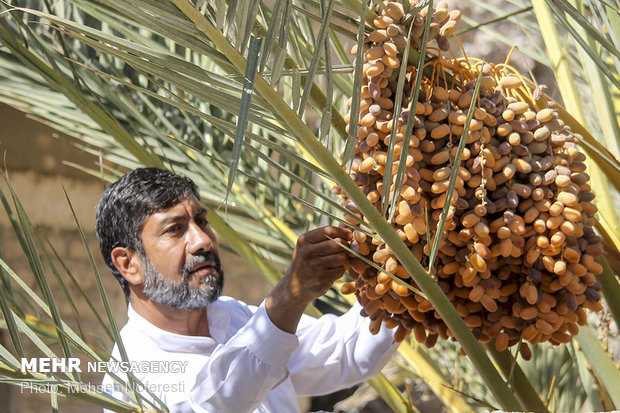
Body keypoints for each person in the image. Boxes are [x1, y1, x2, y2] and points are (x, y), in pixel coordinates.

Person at [95, 167, 398, 413]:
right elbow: (217, 402)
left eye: (201, 221)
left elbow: (342, 353)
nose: (202, 240)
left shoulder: (231, 317)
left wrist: (397, 278)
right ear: (128, 264)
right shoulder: (133, 372)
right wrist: (289, 296)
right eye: (175, 229)